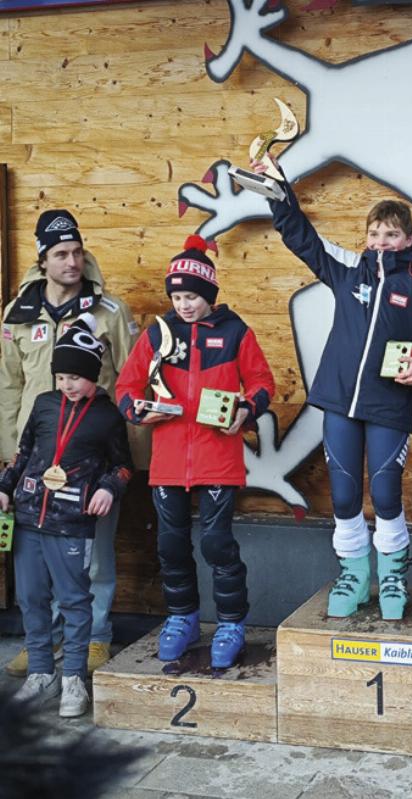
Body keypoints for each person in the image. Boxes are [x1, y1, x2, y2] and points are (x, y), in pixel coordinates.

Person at [252, 159, 412, 621]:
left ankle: (392, 576)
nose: (380, 243)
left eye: (391, 235)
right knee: (346, 495)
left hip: (389, 407)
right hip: (339, 404)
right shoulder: (349, 268)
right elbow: (301, 237)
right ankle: (354, 575)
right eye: (374, 234)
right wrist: (278, 188)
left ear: (408, 240)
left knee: (387, 493)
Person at [115, 235, 275, 669]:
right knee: (170, 545)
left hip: (218, 456)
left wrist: (246, 407)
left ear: (208, 295)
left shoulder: (236, 331)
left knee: (219, 544)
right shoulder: (157, 334)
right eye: (178, 296)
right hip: (167, 461)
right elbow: (126, 387)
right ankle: (182, 617)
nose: (184, 304)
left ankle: (231, 623)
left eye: (192, 296)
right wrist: (137, 409)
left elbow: (262, 383)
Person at [0, 209, 141, 676]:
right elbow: (9, 386)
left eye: (78, 252)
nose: (72, 262)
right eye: (61, 253)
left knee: (93, 554)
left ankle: (96, 635)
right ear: (43, 260)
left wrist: (130, 459)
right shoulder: (17, 316)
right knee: (39, 555)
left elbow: (130, 381)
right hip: (35, 456)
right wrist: (8, 455)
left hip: (91, 456)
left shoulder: (110, 311)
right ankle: (48, 641)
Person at [0, 314, 133, 717]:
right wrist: (6, 487)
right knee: (31, 598)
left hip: (73, 523)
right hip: (28, 519)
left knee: (75, 601)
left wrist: (110, 488)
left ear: (94, 375)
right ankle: (42, 671)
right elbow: (23, 455)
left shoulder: (108, 415)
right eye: (61, 376)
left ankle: (74, 677)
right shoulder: (43, 405)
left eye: (76, 377)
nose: (68, 384)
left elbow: (123, 466)